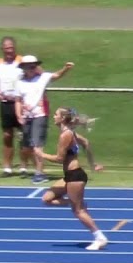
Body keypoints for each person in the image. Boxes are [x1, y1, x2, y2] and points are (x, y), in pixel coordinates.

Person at [38, 107, 108, 251]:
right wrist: (93, 164)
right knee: (46, 199)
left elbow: (59, 158)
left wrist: (41, 155)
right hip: (69, 176)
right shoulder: (71, 133)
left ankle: (99, 237)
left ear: (62, 118)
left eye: (56, 114)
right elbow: (86, 143)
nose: (53, 117)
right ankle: (76, 202)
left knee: (78, 212)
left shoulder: (66, 135)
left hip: (75, 176)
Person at [14, 55, 75, 183]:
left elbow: (56, 76)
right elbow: (18, 100)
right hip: (26, 117)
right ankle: (37, 168)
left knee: (37, 145)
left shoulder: (42, 78)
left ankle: (39, 172)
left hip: (39, 115)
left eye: (33, 66)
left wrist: (65, 69)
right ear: (23, 68)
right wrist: (19, 115)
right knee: (27, 146)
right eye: (28, 66)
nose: (31, 68)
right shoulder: (19, 82)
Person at [0, 35, 29, 177]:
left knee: (24, 135)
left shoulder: (22, 61)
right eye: (6, 48)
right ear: (2, 49)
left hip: (20, 103)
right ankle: (7, 168)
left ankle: (24, 167)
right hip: (5, 103)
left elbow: (36, 74)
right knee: (7, 135)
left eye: (11, 48)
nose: (9, 51)